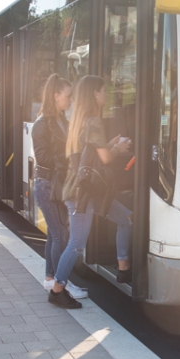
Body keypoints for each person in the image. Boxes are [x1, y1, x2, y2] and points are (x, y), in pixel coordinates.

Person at [50, 75, 133, 309]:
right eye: (104, 90)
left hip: (88, 190)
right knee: (76, 243)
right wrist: (117, 147)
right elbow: (105, 158)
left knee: (126, 218)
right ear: (95, 94)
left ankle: (124, 269)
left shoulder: (81, 120)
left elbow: (93, 154)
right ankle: (57, 290)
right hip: (82, 194)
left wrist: (111, 143)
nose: (107, 95)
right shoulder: (93, 122)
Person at [31, 74, 88, 299]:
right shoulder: (42, 124)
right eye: (68, 96)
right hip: (47, 185)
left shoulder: (63, 122)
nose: (71, 100)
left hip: (57, 185)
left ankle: (49, 279)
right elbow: (42, 157)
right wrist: (68, 157)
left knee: (54, 235)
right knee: (60, 235)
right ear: (56, 96)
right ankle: (60, 283)